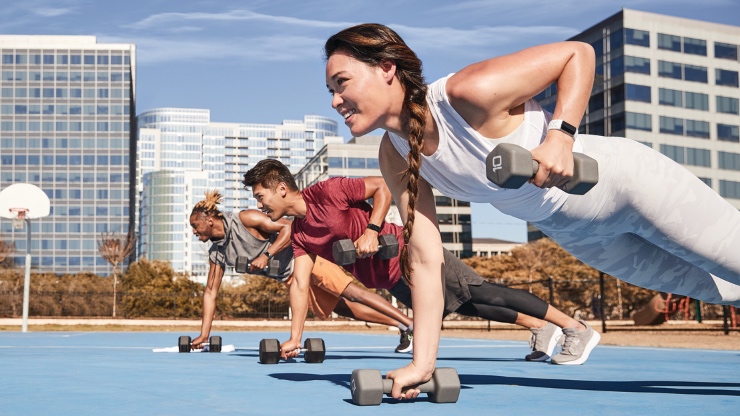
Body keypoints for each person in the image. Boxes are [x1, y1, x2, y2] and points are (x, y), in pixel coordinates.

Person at [322, 23, 740, 398]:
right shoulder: (393, 154)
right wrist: (423, 364)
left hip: (627, 186)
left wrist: (560, 136)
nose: (337, 100)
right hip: (574, 229)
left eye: (342, 83)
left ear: (387, 68)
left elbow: (577, 55)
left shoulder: (467, 92)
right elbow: (426, 259)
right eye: (331, 92)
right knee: (717, 290)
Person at [242, 161, 600, 367]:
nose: (261, 206)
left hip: (409, 253)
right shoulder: (301, 233)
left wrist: (371, 229)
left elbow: (381, 187)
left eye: (261, 197)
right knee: (471, 306)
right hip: (392, 281)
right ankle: (539, 326)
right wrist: (295, 337)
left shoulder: (326, 192)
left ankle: (575, 326)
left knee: (482, 291)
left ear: (281, 188)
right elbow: (301, 285)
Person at [188, 190, 415, 355]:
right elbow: (210, 293)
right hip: (290, 277)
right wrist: (204, 334)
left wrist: (266, 255)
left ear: (209, 220)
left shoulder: (245, 219)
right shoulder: (217, 252)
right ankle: (404, 324)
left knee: (352, 292)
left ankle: (412, 325)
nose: (194, 233)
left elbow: (289, 227)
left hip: (308, 258)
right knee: (344, 309)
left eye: (195, 227)